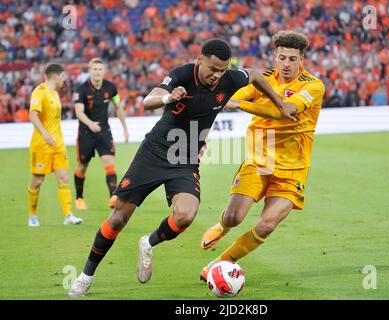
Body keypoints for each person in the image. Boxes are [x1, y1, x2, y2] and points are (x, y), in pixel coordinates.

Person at [68, 38, 292, 297]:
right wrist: (168, 97)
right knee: (118, 218)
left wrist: (278, 103)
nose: (217, 76)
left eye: (222, 70)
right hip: (153, 153)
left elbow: (254, 75)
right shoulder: (182, 74)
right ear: (200, 60)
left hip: (184, 159)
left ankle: (148, 243)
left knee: (186, 214)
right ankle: (86, 276)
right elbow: (149, 100)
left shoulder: (230, 79)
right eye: (213, 69)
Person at [199, 31, 325, 281]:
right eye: (282, 58)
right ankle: (222, 226)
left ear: (302, 59)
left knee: (266, 225)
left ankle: (219, 264)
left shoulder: (313, 85)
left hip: (293, 169)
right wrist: (232, 100)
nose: (286, 64)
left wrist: (239, 105)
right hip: (259, 161)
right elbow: (234, 96)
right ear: (275, 57)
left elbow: (286, 110)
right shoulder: (263, 79)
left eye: (292, 59)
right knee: (234, 216)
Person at [27, 63, 83, 227]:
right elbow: (33, 115)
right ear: (56, 76)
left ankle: (68, 215)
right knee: (37, 180)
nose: (64, 80)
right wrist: (45, 134)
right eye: (63, 77)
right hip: (42, 145)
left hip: (58, 144)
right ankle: (32, 216)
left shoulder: (55, 93)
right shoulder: (40, 92)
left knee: (64, 178)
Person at [73, 58, 129, 210]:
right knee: (82, 166)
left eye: (100, 69)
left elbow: (118, 107)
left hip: (104, 131)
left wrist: (125, 128)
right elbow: (79, 112)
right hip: (86, 133)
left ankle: (113, 197)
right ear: (90, 70)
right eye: (95, 69)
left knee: (109, 163)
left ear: (104, 71)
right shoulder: (81, 89)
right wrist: (90, 124)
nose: (97, 72)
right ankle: (79, 198)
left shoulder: (111, 88)